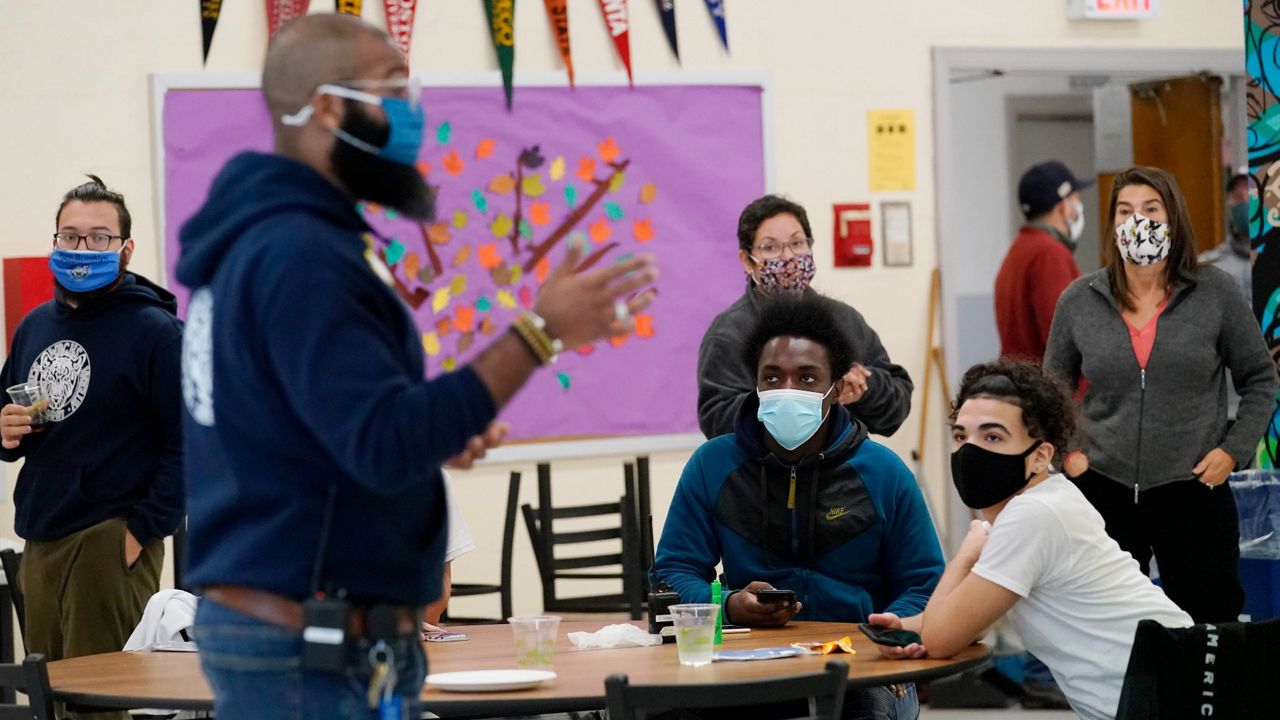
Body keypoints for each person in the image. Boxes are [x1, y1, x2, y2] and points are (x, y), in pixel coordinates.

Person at [177, 14, 656, 720]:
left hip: (298, 629)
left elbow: (328, 429)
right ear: (330, 107)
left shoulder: (267, 241)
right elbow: (381, 441)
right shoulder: (301, 255)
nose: (414, 112)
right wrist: (540, 332)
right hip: (309, 646)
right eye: (395, 90)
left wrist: (432, 431)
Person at [659, 293, 943, 720]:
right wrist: (730, 605)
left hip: (863, 666)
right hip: (749, 664)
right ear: (754, 383)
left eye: (807, 379)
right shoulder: (713, 465)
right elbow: (671, 573)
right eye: (772, 378)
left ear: (837, 389)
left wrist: (888, 631)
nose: (787, 391)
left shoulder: (885, 474)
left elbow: (925, 584)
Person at [867, 360, 1194, 720]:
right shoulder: (1042, 502)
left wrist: (966, 554)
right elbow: (970, 621)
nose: (969, 451)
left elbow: (942, 639)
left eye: (992, 437)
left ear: (1041, 456)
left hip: (1169, 693)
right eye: (961, 436)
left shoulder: (1033, 516)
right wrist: (906, 627)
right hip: (1165, 679)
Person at [1045, 166, 1276, 624]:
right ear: (1113, 224)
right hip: (1104, 487)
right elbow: (1050, 392)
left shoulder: (1215, 292)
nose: (1139, 221)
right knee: (1109, 629)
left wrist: (1234, 451)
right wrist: (1067, 455)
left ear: (1174, 218)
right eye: (1126, 211)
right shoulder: (1079, 300)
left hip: (1194, 489)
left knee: (1209, 626)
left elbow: (1260, 378)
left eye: (1152, 210)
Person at [0, 176, 184, 716]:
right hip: (40, 536)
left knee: (99, 706)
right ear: (54, 241)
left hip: (110, 539)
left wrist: (141, 532)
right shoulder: (35, 324)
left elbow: (192, 444)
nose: (83, 249)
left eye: (99, 237)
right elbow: (13, 423)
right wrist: (5, 430)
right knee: (46, 699)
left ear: (126, 249)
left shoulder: (155, 332)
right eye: (71, 236)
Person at [697, 194, 912, 439]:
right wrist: (789, 400)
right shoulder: (730, 332)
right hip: (761, 474)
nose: (788, 257)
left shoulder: (843, 319)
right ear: (747, 260)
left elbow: (896, 406)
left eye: (797, 243)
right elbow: (716, 421)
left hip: (841, 471)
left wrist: (865, 389)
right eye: (771, 247)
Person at [994, 160, 1089, 362]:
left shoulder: (1019, 249)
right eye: (1076, 200)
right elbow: (1064, 340)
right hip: (1047, 388)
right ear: (1063, 207)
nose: (1079, 209)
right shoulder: (1049, 255)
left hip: (1022, 384)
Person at [1198, 172, 1252, 299]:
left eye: (1251, 196)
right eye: (1238, 197)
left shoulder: (1274, 260)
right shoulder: (1209, 267)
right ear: (1228, 207)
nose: (1245, 202)